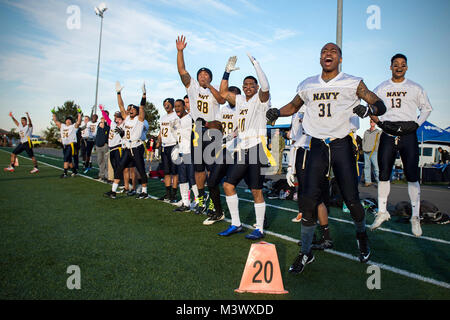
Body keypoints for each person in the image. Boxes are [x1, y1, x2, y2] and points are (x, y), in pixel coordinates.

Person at [266, 43, 387, 273]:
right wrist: (277, 112)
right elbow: (293, 105)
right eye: (324, 51)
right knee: (308, 199)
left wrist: (369, 111)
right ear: (319, 58)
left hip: (342, 144)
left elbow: (377, 103)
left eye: (333, 52)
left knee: (351, 199)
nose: (327, 54)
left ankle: (361, 236)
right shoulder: (308, 84)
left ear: (340, 58)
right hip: (317, 145)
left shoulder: (353, 82)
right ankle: (305, 253)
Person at [370, 53, 433, 237]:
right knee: (383, 174)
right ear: (390, 66)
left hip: (408, 135)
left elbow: (427, 108)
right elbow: (372, 107)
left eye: (402, 64)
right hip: (388, 133)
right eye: (395, 64)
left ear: (406, 67)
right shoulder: (382, 87)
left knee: (412, 175)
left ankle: (415, 216)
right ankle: (382, 212)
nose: (399, 67)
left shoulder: (415, 87)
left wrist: (416, 124)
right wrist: (380, 123)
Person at [217, 53, 271, 239]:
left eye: (251, 85)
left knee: (256, 189)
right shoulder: (240, 100)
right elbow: (223, 93)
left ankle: (260, 228)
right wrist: (226, 72)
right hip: (242, 148)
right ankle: (236, 224)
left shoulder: (261, 99)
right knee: (228, 185)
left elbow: (266, 86)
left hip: (257, 148)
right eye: (245, 85)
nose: (248, 87)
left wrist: (256, 63)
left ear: (255, 87)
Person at [176, 35, 226, 215]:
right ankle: (200, 199)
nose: (203, 76)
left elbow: (221, 98)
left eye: (206, 75)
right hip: (197, 129)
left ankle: (213, 202)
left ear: (210, 78)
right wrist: (180, 51)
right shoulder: (193, 87)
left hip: (212, 131)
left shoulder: (213, 91)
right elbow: (182, 70)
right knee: (198, 168)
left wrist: (210, 85)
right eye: (201, 74)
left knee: (212, 169)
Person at [286, 112, 333, 250]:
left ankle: (326, 237)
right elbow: (294, 140)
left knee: (316, 197)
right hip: (301, 153)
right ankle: (311, 236)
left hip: (316, 151)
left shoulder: (318, 104)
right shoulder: (296, 112)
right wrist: (290, 166)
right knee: (305, 197)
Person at [104, 81, 149, 199]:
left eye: (133, 109)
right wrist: (118, 93)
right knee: (120, 168)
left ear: (137, 111)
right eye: (130, 109)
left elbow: (142, 106)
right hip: (127, 147)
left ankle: (144, 191)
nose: (131, 110)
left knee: (140, 169)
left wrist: (144, 94)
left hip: (137, 146)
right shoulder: (127, 118)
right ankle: (113, 191)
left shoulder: (140, 119)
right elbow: (121, 106)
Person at [172, 99, 196, 211]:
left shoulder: (190, 118)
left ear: (184, 107)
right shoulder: (178, 120)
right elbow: (177, 137)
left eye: (179, 106)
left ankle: (199, 201)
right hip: (181, 151)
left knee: (192, 178)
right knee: (182, 178)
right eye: (175, 106)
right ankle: (186, 203)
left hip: (190, 152)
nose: (177, 108)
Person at [156, 98, 179, 203]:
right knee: (166, 172)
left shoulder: (176, 116)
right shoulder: (163, 117)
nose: (166, 106)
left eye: (168, 104)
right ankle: (168, 194)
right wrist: (158, 142)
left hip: (174, 145)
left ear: (172, 105)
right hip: (165, 146)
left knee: (174, 172)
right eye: (164, 104)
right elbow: (161, 131)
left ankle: (174, 194)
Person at [52, 108, 82, 178]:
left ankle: (65, 173)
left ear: (71, 122)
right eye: (67, 119)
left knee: (65, 158)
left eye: (69, 120)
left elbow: (79, 121)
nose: (68, 121)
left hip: (71, 145)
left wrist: (79, 113)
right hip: (64, 145)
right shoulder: (62, 126)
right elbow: (56, 121)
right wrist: (53, 113)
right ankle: (74, 171)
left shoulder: (73, 127)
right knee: (69, 160)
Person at [99, 105, 124, 186]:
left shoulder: (123, 125)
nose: (117, 120)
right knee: (114, 165)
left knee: (118, 165)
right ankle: (117, 180)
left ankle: (120, 181)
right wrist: (102, 110)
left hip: (118, 147)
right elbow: (106, 118)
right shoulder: (113, 124)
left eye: (119, 118)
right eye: (116, 118)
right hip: (111, 147)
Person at [362, 119, 381, 186]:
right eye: (371, 121)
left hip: (374, 152)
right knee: (366, 167)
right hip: (366, 151)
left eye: (373, 121)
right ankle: (368, 181)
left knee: (376, 167)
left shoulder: (378, 132)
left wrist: (377, 149)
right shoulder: (366, 131)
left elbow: (380, 141)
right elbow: (363, 140)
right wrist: (363, 147)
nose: (372, 123)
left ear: (375, 123)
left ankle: (379, 182)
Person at [95, 114, 110, 182]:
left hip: (105, 145)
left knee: (106, 161)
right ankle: (101, 174)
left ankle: (107, 176)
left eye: (103, 119)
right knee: (100, 160)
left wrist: (104, 127)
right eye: (101, 120)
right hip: (98, 146)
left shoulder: (107, 127)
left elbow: (108, 133)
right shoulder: (98, 126)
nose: (102, 121)